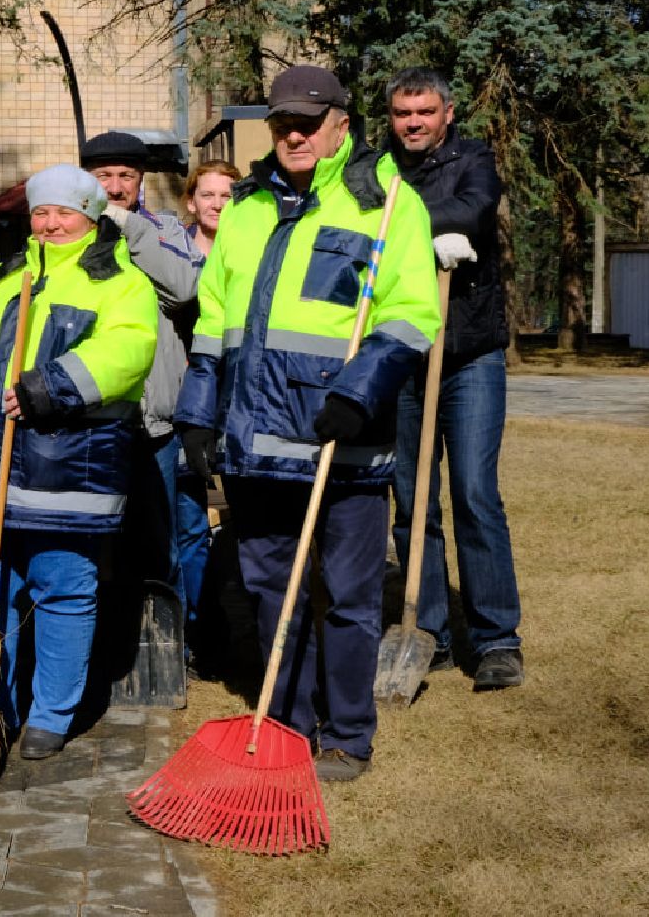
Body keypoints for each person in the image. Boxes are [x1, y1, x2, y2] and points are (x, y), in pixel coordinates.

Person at [176, 65, 441, 781]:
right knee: (270, 593)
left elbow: (412, 314)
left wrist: (357, 395)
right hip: (256, 446)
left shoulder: (385, 204)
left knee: (349, 598)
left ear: (340, 126)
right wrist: (198, 416)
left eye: (309, 121)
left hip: (342, 444)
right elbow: (214, 321)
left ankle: (346, 735)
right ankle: (287, 723)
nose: (294, 133)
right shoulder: (246, 205)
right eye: (283, 122)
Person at [0, 163, 157, 759]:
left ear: (90, 216)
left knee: (62, 586)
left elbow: (128, 352)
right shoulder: (2, 276)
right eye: (41, 211)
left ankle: (50, 713)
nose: (51, 222)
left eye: (65, 211)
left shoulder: (120, 281)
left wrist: (48, 388)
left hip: (69, 466)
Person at [385, 66, 524, 690]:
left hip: (469, 351)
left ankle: (496, 639)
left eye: (424, 112)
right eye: (402, 114)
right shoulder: (377, 167)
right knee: (415, 499)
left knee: (472, 492)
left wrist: (402, 222)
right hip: (403, 352)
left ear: (446, 114)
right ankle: (431, 632)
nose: (413, 123)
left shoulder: (475, 159)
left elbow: (471, 211)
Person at [79, 131, 203, 679]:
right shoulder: (72, 236)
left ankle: (169, 652)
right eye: (103, 176)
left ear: (141, 181)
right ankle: (102, 650)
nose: (115, 186)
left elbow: (183, 287)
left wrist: (132, 232)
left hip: (156, 423)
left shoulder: (166, 231)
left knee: (160, 546)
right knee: (96, 544)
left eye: (125, 176)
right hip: (93, 421)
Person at [174, 160, 239, 660]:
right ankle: (194, 628)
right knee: (190, 522)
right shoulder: (172, 251)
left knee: (241, 520)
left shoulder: (252, 247)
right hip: (186, 398)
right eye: (208, 194)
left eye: (227, 194)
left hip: (237, 399)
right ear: (191, 201)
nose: (217, 203)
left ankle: (233, 615)